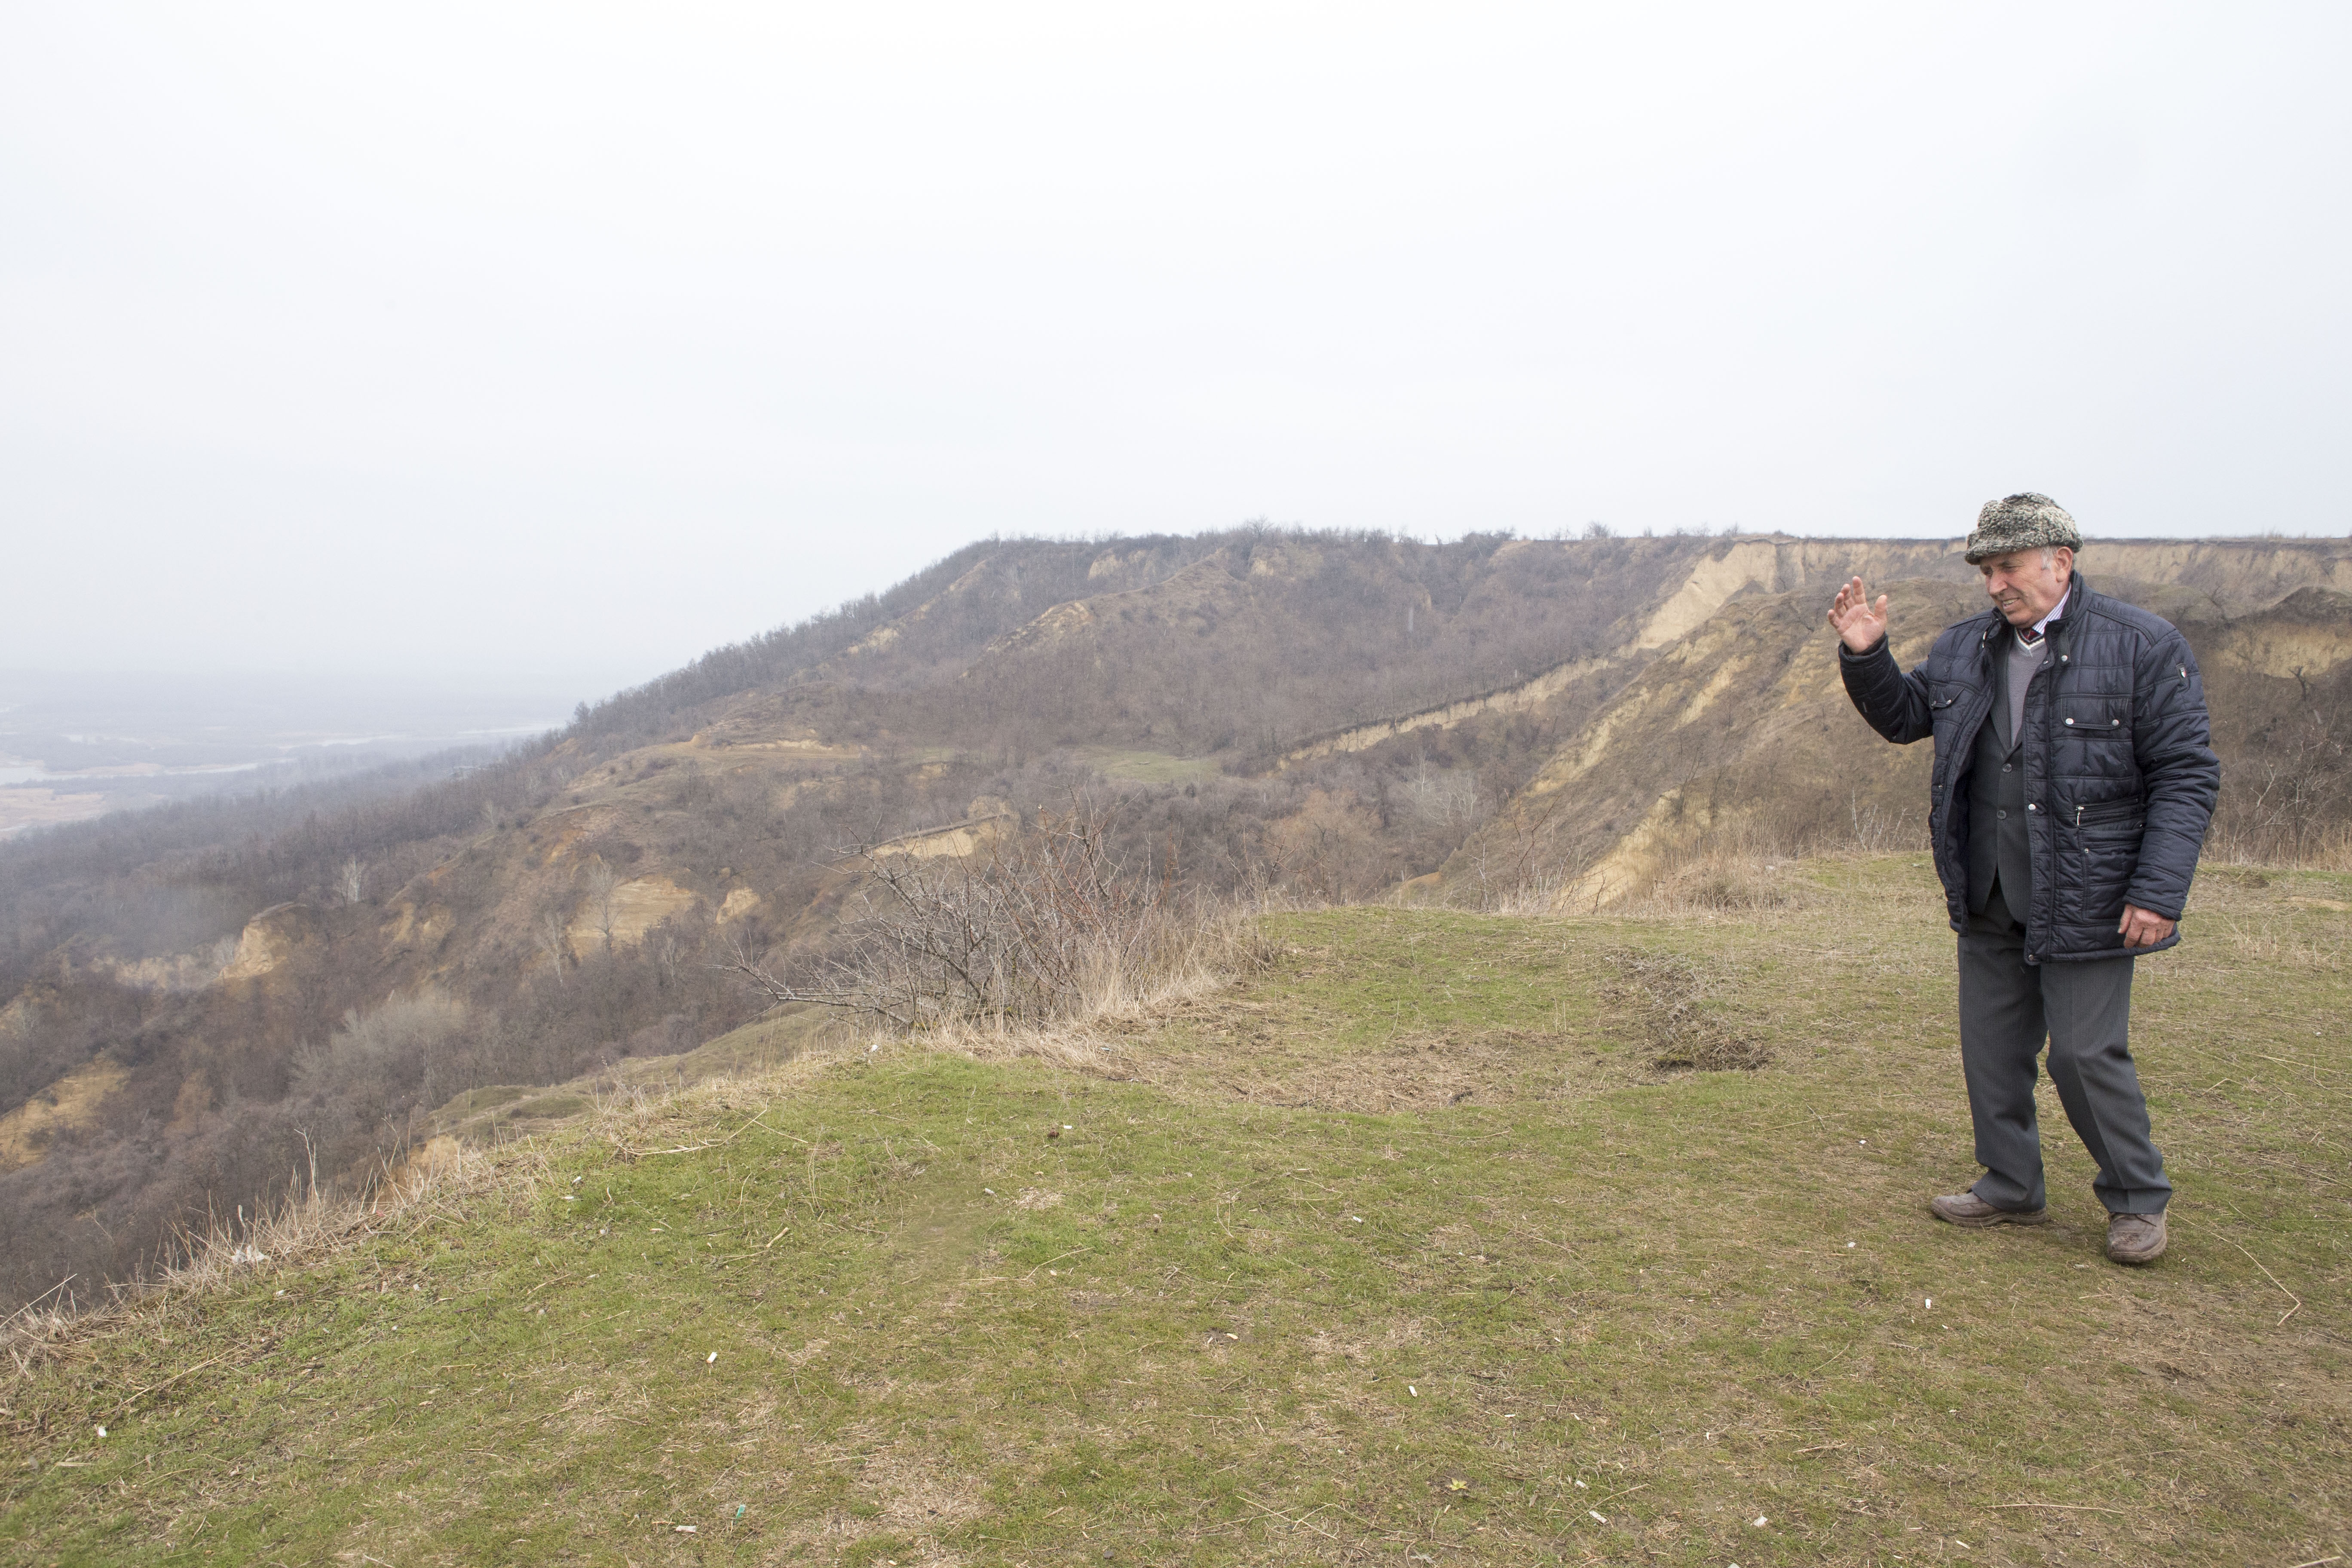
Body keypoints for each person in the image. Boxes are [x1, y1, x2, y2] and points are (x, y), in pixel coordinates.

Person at [1827, 493, 2218, 1265]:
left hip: (2089, 894)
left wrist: (2158, 890)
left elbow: (2186, 774)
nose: (1994, 585)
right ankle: (2010, 1185)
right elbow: (1907, 717)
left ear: (2060, 562)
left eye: (2007, 567)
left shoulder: (2142, 645)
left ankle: (2138, 1200)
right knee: (1991, 1049)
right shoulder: (1965, 646)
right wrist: (1867, 654)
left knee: (2083, 1053)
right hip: (1987, 887)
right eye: (1986, 570)